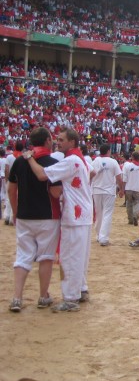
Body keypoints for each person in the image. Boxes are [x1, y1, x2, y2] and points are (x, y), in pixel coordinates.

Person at [24, 127, 93, 312]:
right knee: (81, 257)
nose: (58, 142)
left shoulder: (70, 161)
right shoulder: (81, 159)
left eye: (62, 139)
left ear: (72, 142)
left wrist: (29, 157)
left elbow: (41, 174)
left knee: (69, 258)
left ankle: (71, 298)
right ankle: (81, 289)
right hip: (84, 214)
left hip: (74, 215)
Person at [7, 128, 62, 312]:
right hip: (47, 215)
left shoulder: (19, 161)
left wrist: (15, 211)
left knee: (22, 256)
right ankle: (43, 296)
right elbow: (56, 192)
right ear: (47, 141)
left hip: (24, 214)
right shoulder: (52, 162)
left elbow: (11, 190)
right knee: (46, 257)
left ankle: (17, 298)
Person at [90, 144, 124, 246]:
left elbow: (90, 174)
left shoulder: (95, 161)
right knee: (107, 214)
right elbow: (118, 177)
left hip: (96, 190)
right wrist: (121, 189)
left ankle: (98, 235)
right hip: (108, 191)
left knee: (99, 213)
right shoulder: (113, 162)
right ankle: (103, 238)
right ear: (109, 151)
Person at [4, 142, 24, 225]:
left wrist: (7, 179)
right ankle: (12, 218)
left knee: (8, 198)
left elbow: (7, 169)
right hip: (20, 180)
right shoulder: (23, 157)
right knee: (17, 199)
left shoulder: (9, 157)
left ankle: (7, 217)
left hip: (11, 179)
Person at [123, 151, 139, 225]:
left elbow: (124, 179)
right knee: (137, 202)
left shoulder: (127, 166)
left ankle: (130, 219)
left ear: (132, 157)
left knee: (129, 203)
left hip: (128, 188)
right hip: (137, 188)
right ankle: (136, 215)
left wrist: (123, 189)